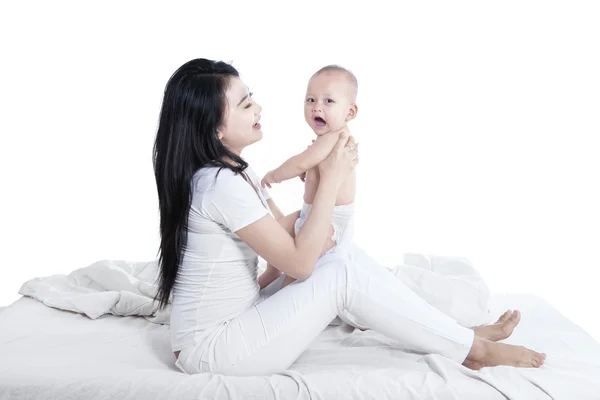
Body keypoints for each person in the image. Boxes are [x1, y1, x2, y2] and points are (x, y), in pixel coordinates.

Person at [152, 58, 546, 377]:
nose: (258, 107)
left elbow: (280, 234)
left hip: (237, 321)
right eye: (244, 104)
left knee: (343, 257)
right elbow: (300, 264)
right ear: (215, 129)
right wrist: (332, 180)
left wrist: (316, 223)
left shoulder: (233, 171)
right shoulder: (219, 183)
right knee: (338, 274)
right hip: (214, 352)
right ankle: (472, 350)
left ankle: (453, 335)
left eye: (251, 97)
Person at [260, 65, 358, 289]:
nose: (317, 108)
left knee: (298, 272)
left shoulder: (335, 137)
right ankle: (271, 271)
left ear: (350, 112)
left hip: (331, 221)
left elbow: (301, 161)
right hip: (310, 213)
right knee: (278, 231)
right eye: (311, 100)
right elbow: (312, 165)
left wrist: (275, 175)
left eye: (328, 101)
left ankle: (284, 290)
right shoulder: (327, 141)